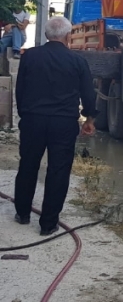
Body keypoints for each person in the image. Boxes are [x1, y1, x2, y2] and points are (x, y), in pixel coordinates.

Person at [13, 17, 96, 235]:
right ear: (68, 36)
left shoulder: (29, 56)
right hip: (63, 123)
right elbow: (88, 94)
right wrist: (89, 119)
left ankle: (22, 213)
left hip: (33, 120)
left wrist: (25, 114)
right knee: (58, 170)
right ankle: (48, 223)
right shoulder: (77, 61)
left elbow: (19, 89)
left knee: (28, 165)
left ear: (46, 35)